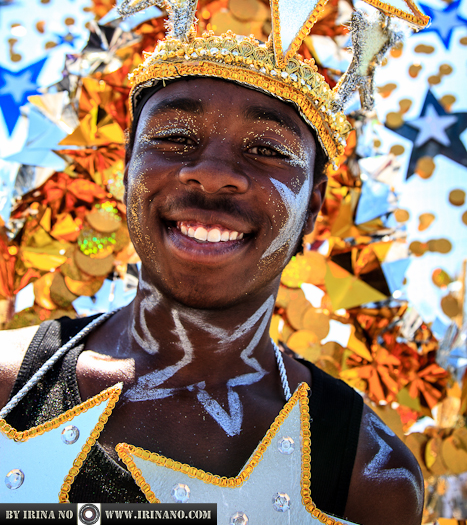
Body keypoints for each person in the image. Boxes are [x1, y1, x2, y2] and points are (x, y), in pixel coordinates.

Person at [0, 72, 423, 524]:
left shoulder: (370, 475)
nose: (212, 172)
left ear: (313, 208)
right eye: (175, 137)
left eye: (268, 150)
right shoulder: (10, 383)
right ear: (127, 171)